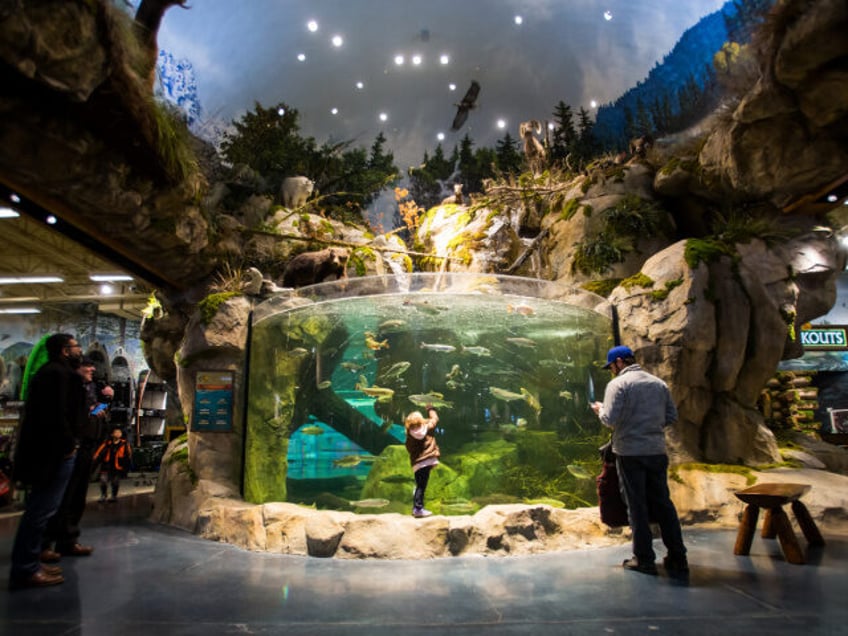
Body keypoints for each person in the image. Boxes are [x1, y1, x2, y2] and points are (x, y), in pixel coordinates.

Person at [590, 345, 688, 577]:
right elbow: (671, 416)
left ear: (620, 362)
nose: (611, 371)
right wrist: (649, 429)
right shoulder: (658, 383)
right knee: (664, 504)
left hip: (630, 453)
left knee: (637, 506)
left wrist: (600, 409)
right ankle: (678, 557)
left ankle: (644, 559)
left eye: (612, 366)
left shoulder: (618, 384)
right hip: (656, 452)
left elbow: (610, 419)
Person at [9, 333, 86, 589]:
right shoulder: (56, 374)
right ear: (65, 350)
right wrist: (68, 447)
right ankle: (25, 568)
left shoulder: (53, 372)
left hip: (51, 453)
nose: (80, 351)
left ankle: (32, 563)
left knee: (43, 510)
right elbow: (55, 416)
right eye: (76, 347)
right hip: (51, 455)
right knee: (39, 511)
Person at [42, 356, 109, 559]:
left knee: (77, 496)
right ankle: (44, 545)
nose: (91, 370)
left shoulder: (89, 388)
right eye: (87, 366)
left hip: (87, 446)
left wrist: (103, 402)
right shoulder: (67, 388)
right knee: (57, 497)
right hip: (70, 447)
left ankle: (68, 539)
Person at [404, 406, 440, 518]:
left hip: (417, 464)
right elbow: (435, 419)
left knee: (419, 485)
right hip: (428, 461)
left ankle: (416, 507)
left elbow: (408, 448)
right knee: (421, 486)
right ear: (421, 420)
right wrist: (430, 409)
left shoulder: (410, 435)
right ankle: (418, 509)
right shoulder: (428, 427)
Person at [93, 426, 132, 503]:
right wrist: (96, 457)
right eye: (116, 432)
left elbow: (129, 454)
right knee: (103, 480)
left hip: (117, 466)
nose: (118, 434)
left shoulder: (124, 443)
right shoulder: (107, 443)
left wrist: (126, 464)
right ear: (112, 434)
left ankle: (114, 496)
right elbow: (99, 452)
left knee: (115, 482)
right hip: (107, 465)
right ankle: (103, 495)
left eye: (119, 432)